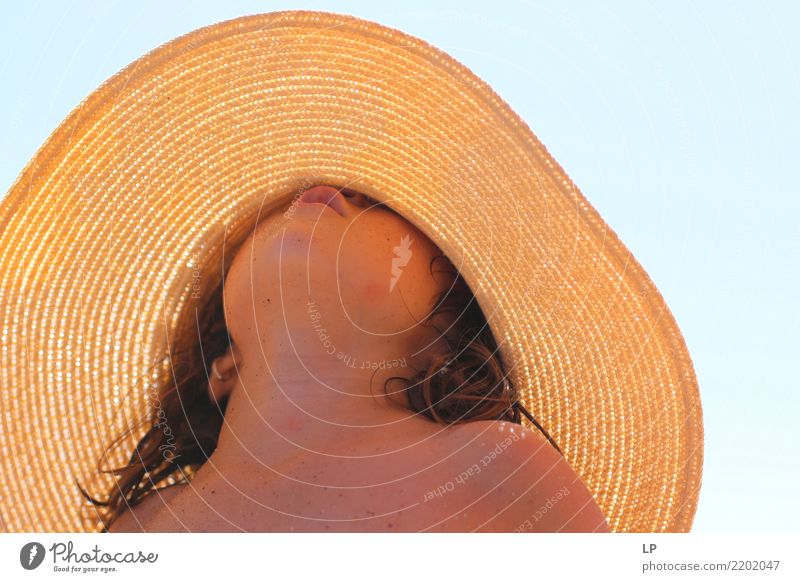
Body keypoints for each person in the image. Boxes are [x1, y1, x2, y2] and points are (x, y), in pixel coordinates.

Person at [84, 184, 609, 533]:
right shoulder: (145, 524)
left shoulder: (497, 467)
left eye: (382, 206)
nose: (335, 192)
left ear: (447, 347)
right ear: (222, 365)